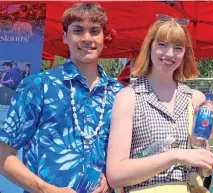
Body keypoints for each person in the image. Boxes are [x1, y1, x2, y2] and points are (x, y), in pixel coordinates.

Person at [0, 3, 123, 193]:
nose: (87, 38)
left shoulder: (119, 94)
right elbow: (3, 154)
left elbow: (127, 159)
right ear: (65, 36)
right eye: (78, 30)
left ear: (104, 38)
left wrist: (113, 179)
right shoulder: (38, 86)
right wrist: (45, 189)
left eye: (94, 31)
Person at [106, 14, 213, 193]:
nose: (169, 54)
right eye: (162, 45)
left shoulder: (196, 99)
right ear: (149, 46)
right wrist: (175, 156)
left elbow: (205, 170)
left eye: (178, 48)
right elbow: (116, 175)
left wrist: (199, 142)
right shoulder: (128, 97)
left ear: (185, 53)